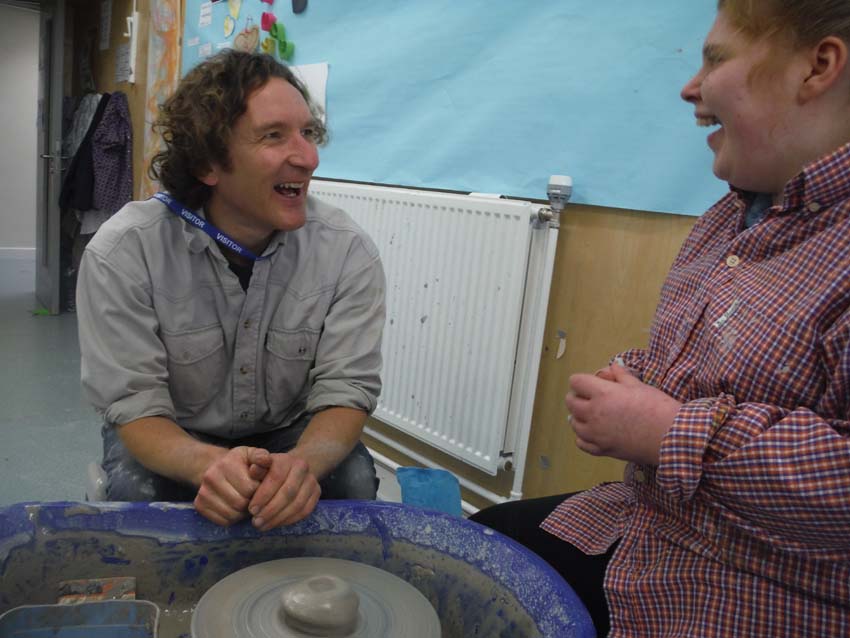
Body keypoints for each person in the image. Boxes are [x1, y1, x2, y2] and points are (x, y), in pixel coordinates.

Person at [471, 2, 850, 635]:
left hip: (757, 584)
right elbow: (704, 369)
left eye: (716, 58)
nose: (689, 87)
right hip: (645, 524)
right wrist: (636, 380)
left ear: (817, 67)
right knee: (477, 547)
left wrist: (668, 429)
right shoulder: (724, 222)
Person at [76, 50, 386, 532]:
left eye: (308, 133)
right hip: (172, 431)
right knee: (141, 496)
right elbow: (134, 405)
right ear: (207, 163)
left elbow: (346, 390)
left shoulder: (347, 252)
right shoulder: (123, 254)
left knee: (353, 478)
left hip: (288, 429)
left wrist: (301, 465)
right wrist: (206, 466)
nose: (308, 158)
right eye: (273, 136)